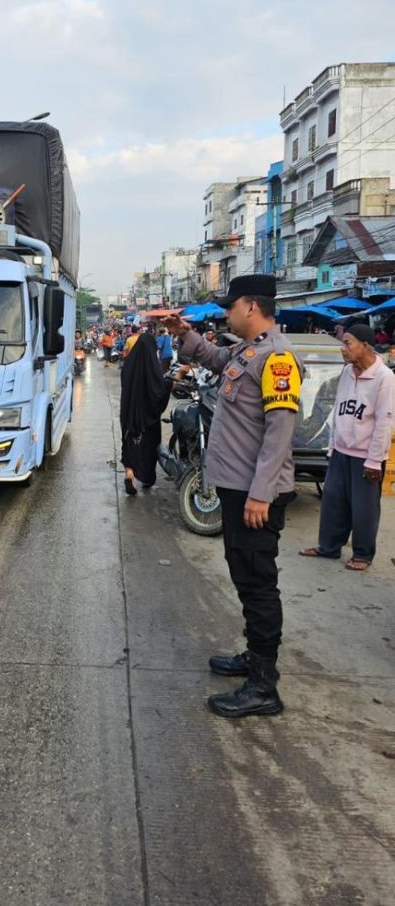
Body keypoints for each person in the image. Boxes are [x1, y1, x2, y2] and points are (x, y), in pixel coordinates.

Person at [166, 274, 304, 719]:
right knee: (245, 577)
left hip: (253, 493)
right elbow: (213, 356)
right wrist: (182, 334)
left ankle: (264, 686)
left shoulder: (278, 359)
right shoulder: (248, 351)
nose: (225, 312)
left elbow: (280, 433)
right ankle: (254, 656)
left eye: (230, 305)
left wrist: (261, 495)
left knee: (258, 584)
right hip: (236, 487)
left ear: (251, 307)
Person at [300, 323, 395, 572]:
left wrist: (374, 460)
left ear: (365, 345)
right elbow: (338, 413)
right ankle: (329, 547)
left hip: (366, 457)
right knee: (333, 502)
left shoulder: (384, 378)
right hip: (341, 451)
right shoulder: (346, 372)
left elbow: (385, 422)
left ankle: (363, 554)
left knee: (364, 509)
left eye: (347, 343)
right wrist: (332, 447)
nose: (343, 349)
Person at [120, 332, 171, 496]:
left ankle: (129, 474)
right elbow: (158, 392)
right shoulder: (152, 368)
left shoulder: (129, 364)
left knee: (129, 443)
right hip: (148, 419)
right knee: (149, 446)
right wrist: (170, 383)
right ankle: (147, 478)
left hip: (129, 414)